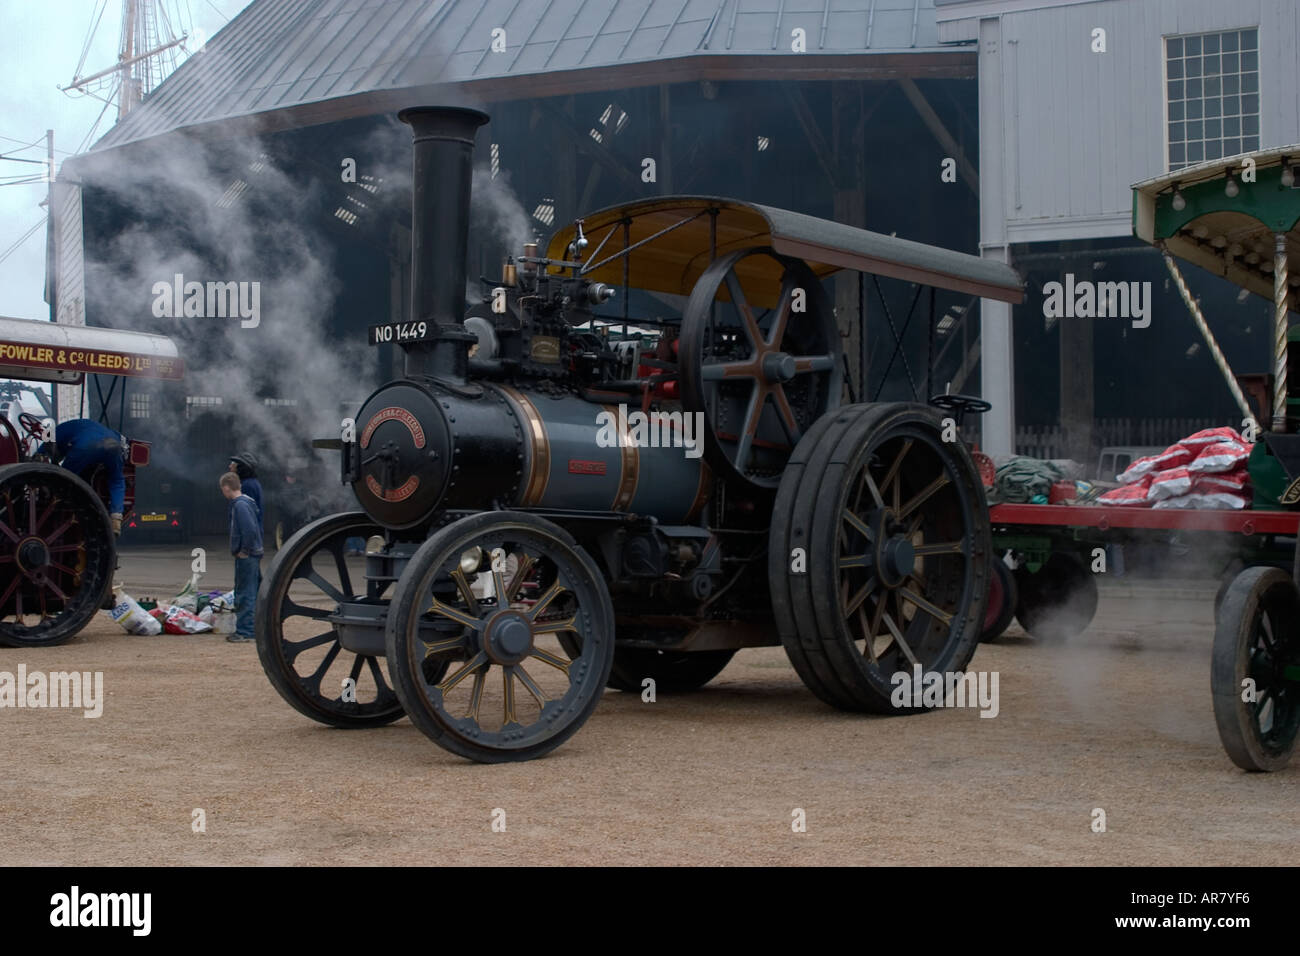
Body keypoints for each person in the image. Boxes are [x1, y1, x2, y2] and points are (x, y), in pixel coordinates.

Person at [46, 419, 127, 535]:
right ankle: (116, 519)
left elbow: (43, 454)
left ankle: (57, 506)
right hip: (113, 444)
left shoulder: (54, 432)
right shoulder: (78, 426)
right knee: (117, 480)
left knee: (63, 479)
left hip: (87, 445)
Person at [220, 471, 263, 644]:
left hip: (247, 555)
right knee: (256, 591)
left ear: (226, 488)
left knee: (245, 593)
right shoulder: (249, 502)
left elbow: (249, 530)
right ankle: (257, 628)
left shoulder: (240, 505)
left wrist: (244, 550)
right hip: (255, 553)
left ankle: (245, 631)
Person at [228, 452, 264, 528]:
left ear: (241, 467)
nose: (230, 466)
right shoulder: (249, 483)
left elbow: (247, 519)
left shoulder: (247, 486)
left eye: (233, 464)